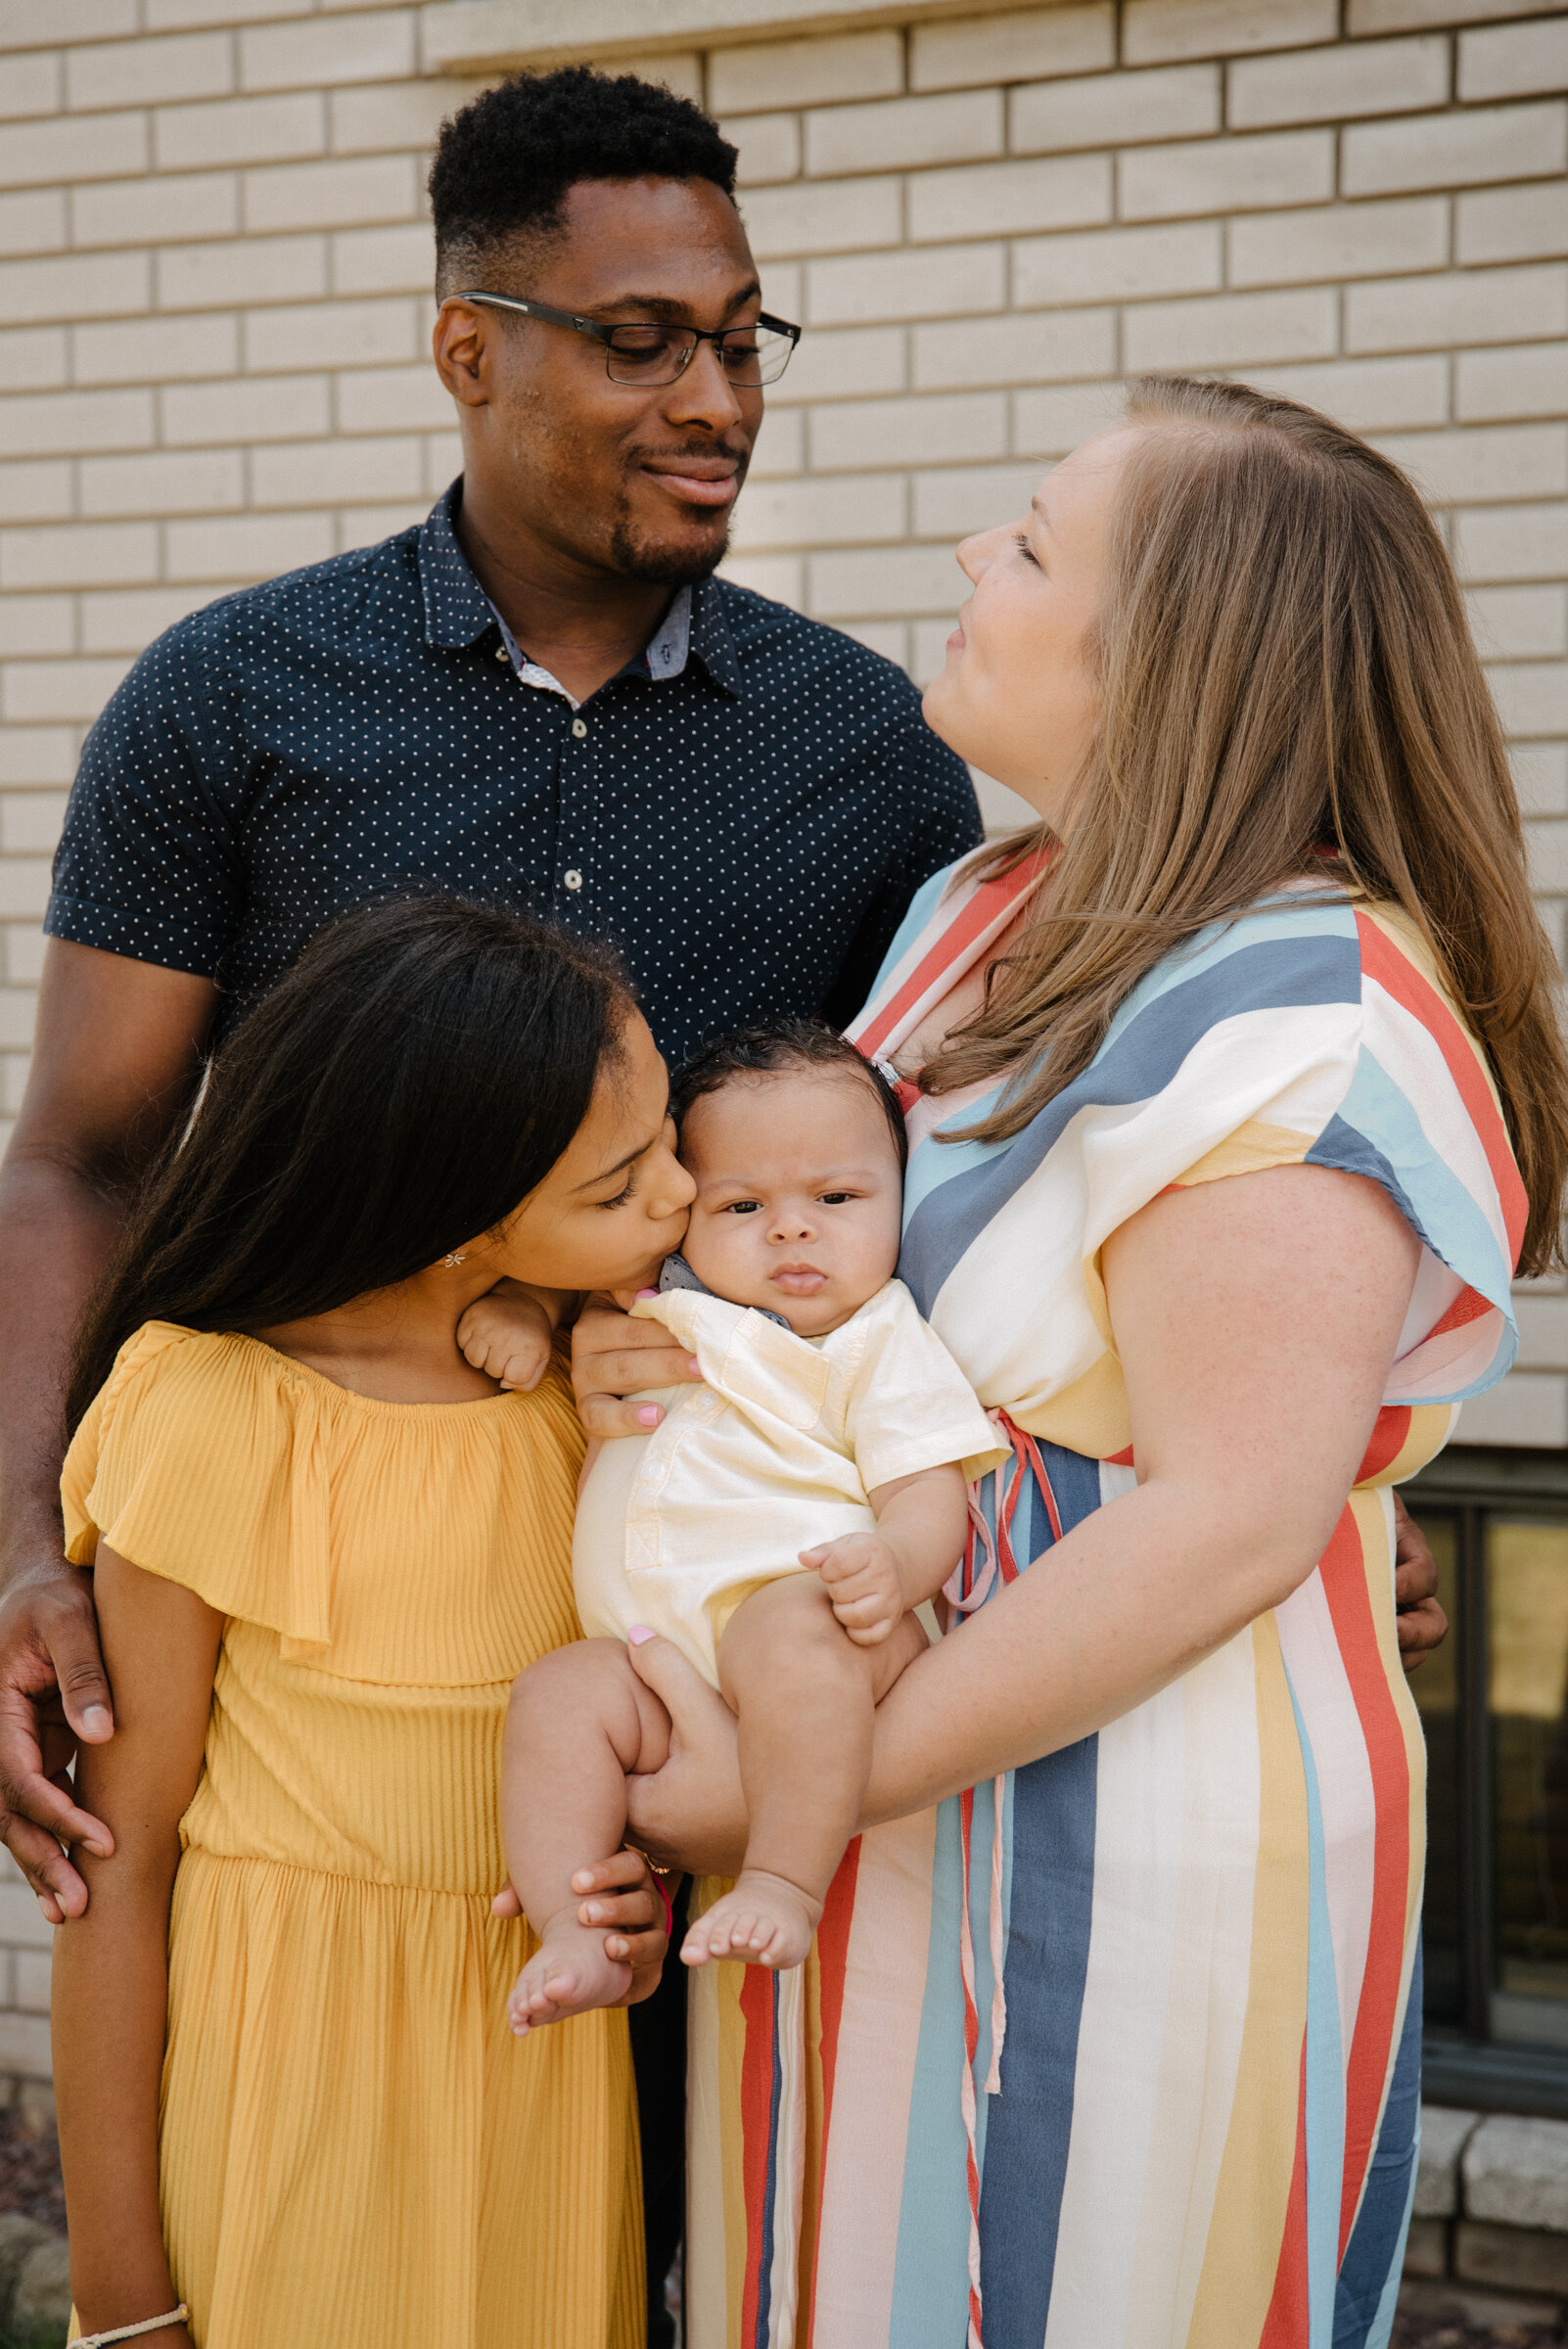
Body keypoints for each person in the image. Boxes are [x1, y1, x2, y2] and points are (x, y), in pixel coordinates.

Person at [0, 68, 979, 2333]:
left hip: (711, 1651)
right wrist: (28, 1540)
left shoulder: (862, 747)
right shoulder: (227, 699)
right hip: (337, 1614)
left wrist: (1247, 1488)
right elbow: (78, 1150)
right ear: (471, 345)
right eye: (640, 338)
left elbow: (935, 1180)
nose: (710, 396)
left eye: (742, 337)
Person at [610, 378, 1568, 2347]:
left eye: (1034, 541)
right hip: (859, 1805)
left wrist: (790, 1788)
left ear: (1179, 661)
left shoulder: (1312, 1007)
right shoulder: (987, 906)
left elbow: (1225, 1519)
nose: (975, 557)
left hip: (1109, 1848)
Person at [52, 897, 682, 2349]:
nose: (678, 1196)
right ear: (461, 1221)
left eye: (663, 1144)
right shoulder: (210, 1408)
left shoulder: (584, 1408)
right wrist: (120, 2299)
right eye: (620, 1183)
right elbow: (119, 1862)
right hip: (289, 2072)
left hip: (536, 2073)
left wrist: (622, 1894)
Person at [479, 1020, 999, 2027]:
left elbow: (930, 1488)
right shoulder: (657, 1303)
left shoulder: (875, 1339)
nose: (792, 1231)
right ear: (685, 1213)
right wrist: (522, 1312)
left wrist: (893, 1563)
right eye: (743, 1204)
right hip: (651, 1659)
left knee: (782, 1631)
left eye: (838, 1200)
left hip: (821, 1626)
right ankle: (572, 1927)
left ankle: (784, 1884)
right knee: (556, 1694)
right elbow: (561, 1262)